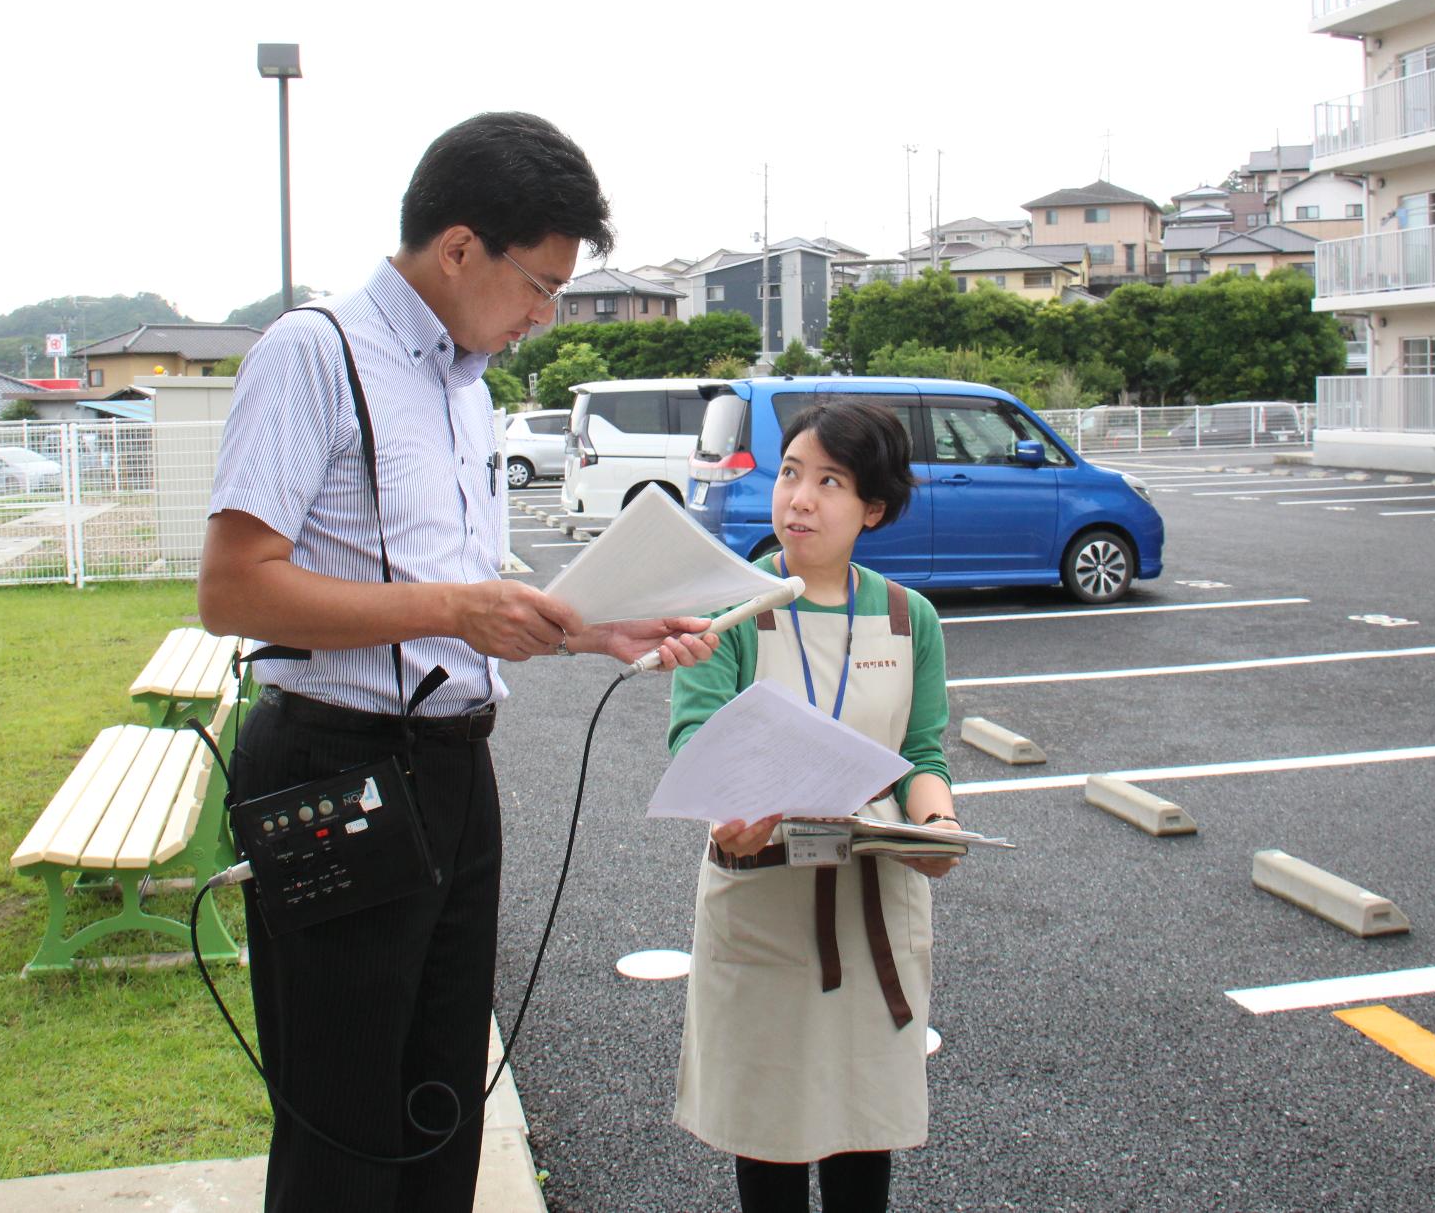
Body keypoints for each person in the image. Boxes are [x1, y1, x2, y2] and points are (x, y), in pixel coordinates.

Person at [198, 111, 717, 1213]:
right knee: (344, 1122)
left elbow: (469, 598)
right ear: (459, 248)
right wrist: (455, 608)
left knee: (442, 1102)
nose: (543, 315)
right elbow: (234, 589)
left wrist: (593, 629)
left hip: (451, 769)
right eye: (539, 286)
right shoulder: (315, 353)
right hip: (335, 763)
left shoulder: (465, 389)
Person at [667, 399, 963, 1213]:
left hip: (875, 911)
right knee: (768, 1137)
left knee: (864, 1140)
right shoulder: (729, 609)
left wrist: (938, 825)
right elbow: (696, 740)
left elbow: (922, 755)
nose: (799, 498)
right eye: (791, 473)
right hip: (763, 902)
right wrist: (729, 811)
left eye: (830, 481)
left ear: (873, 507)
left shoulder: (908, 617)